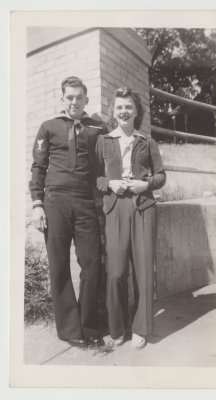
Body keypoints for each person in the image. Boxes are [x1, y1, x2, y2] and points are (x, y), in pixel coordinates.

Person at [29, 76, 108, 348]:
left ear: (86, 99)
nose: (74, 102)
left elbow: (109, 163)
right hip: (55, 202)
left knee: (91, 263)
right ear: (62, 99)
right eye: (69, 97)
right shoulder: (49, 127)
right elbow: (38, 167)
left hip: (86, 202)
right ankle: (70, 329)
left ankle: (90, 325)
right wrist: (37, 204)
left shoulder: (98, 128)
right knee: (59, 264)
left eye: (79, 97)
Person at [95, 88, 166, 350]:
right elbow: (96, 178)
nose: (124, 111)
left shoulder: (147, 142)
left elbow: (161, 176)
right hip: (115, 208)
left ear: (137, 112)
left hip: (144, 207)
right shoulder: (104, 142)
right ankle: (118, 327)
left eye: (128, 107)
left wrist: (144, 184)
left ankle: (140, 328)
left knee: (144, 270)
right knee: (115, 272)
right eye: (119, 107)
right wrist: (109, 183)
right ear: (113, 112)